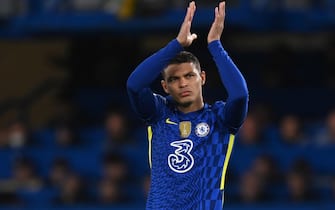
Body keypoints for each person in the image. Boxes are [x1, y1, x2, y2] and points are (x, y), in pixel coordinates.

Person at [127, 1, 248, 209]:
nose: (183, 83)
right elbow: (134, 86)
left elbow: (239, 95)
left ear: (202, 78)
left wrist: (215, 44)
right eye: (174, 79)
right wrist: (176, 44)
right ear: (165, 86)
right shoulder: (158, 114)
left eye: (189, 75)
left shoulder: (220, 119)